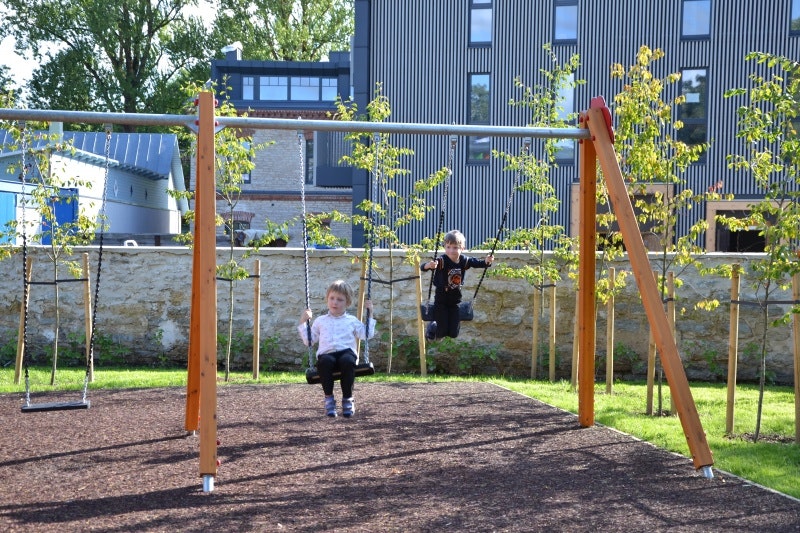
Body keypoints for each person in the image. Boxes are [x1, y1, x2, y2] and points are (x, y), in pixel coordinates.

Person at [298, 279, 376, 418]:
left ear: (347, 303)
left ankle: (348, 399)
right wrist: (303, 322)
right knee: (324, 362)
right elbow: (309, 341)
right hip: (327, 355)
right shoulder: (320, 321)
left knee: (348, 361)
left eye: (339, 300)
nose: (335, 302)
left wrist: (370, 314)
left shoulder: (351, 321)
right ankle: (329, 399)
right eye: (332, 298)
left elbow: (367, 334)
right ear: (327, 299)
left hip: (346, 353)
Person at [420, 229, 493, 341]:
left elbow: (478, 263)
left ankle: (443, 327)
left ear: (462, 248)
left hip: (455, 298)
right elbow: (423, 267)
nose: (451, 251)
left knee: (454, 333)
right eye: (448, 247)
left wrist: (487, 261)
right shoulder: (442, 261)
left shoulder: (464, 260)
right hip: (441, 297)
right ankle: (433, 327)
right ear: (445, 247)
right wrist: (429, 265)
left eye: (455, 247)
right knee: (441, 332)